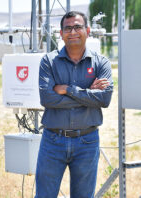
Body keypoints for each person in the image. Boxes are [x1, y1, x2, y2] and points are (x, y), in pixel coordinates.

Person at [35, 11, 113, 198]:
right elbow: (47, 99)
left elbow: (104, 99)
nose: (73, 32)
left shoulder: (101, 63)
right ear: (61, 34)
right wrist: (88, 95)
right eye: (67, 28)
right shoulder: (49, 62)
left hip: (87, 141)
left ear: (87, 30)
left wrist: (68, 89)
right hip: (53, 140)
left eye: (77, 27)